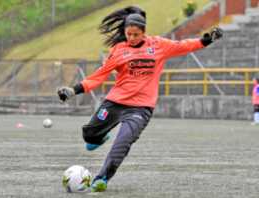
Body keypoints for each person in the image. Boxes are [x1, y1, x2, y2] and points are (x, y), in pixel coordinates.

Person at [57, 5, 223, 192]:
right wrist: (73, 90)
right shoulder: (119, 50)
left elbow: (183, 46)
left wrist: (207, 39)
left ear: (144, 32)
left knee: (122, 144)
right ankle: (99, 136)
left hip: (140, 109)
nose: (132, 38)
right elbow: (99, 75)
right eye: (129, 34)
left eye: (136, 34)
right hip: (115, 103)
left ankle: (102, 178)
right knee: (89, 136)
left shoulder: (158, 45)